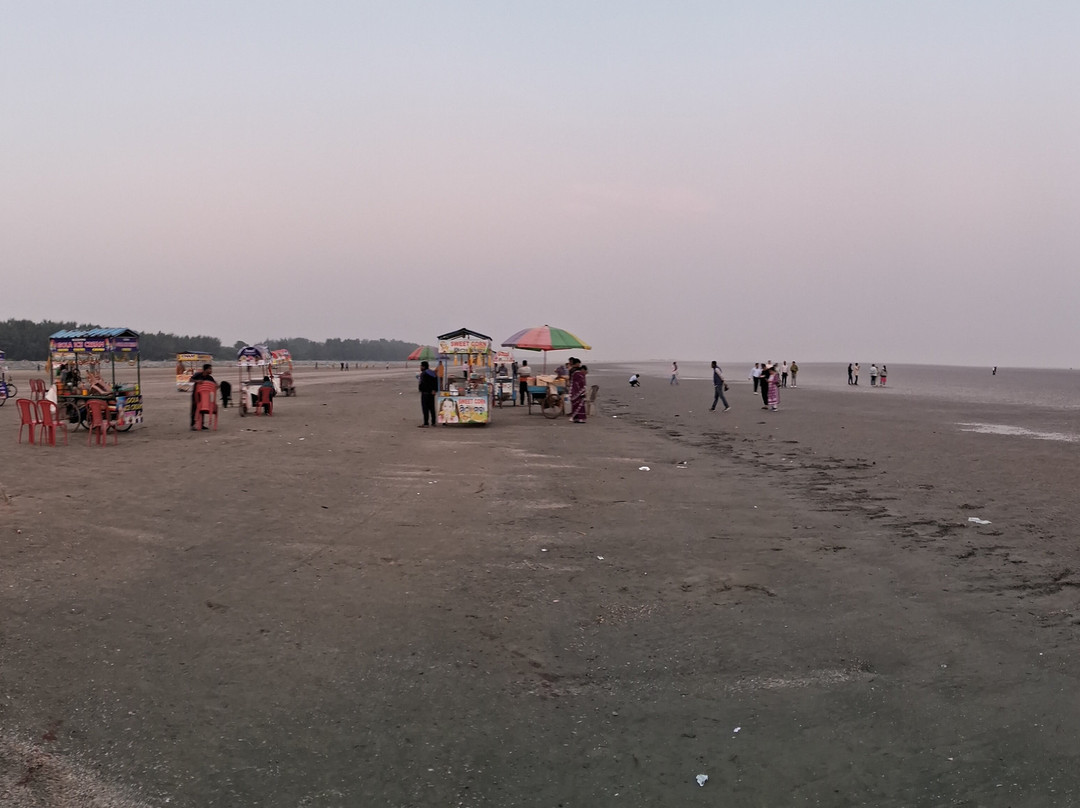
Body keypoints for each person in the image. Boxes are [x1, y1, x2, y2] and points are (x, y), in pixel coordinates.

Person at [189, 363, 215, 430]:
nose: (211, 370)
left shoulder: (209, 377)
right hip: (196, 395)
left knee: (202, 409)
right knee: (194, 409)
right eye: (210, 369)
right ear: (205, 369)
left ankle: (201, 424)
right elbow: (190, 380)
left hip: (204, 397)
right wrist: (197, 381)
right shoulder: (198, 374)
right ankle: (193, 424)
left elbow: (215, 384)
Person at [418, 360, 439, 427]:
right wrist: (435, 390)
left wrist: (421, 389)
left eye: (421, 366)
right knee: (432, 408)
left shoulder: (423, 374)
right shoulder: (433, 373)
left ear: (423, 367)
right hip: (432, 393)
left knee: (425, 408)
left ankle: (426, 423)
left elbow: (423, 384)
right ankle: (433, 422)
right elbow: (436, 382)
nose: (420, 367)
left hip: (425, 393)